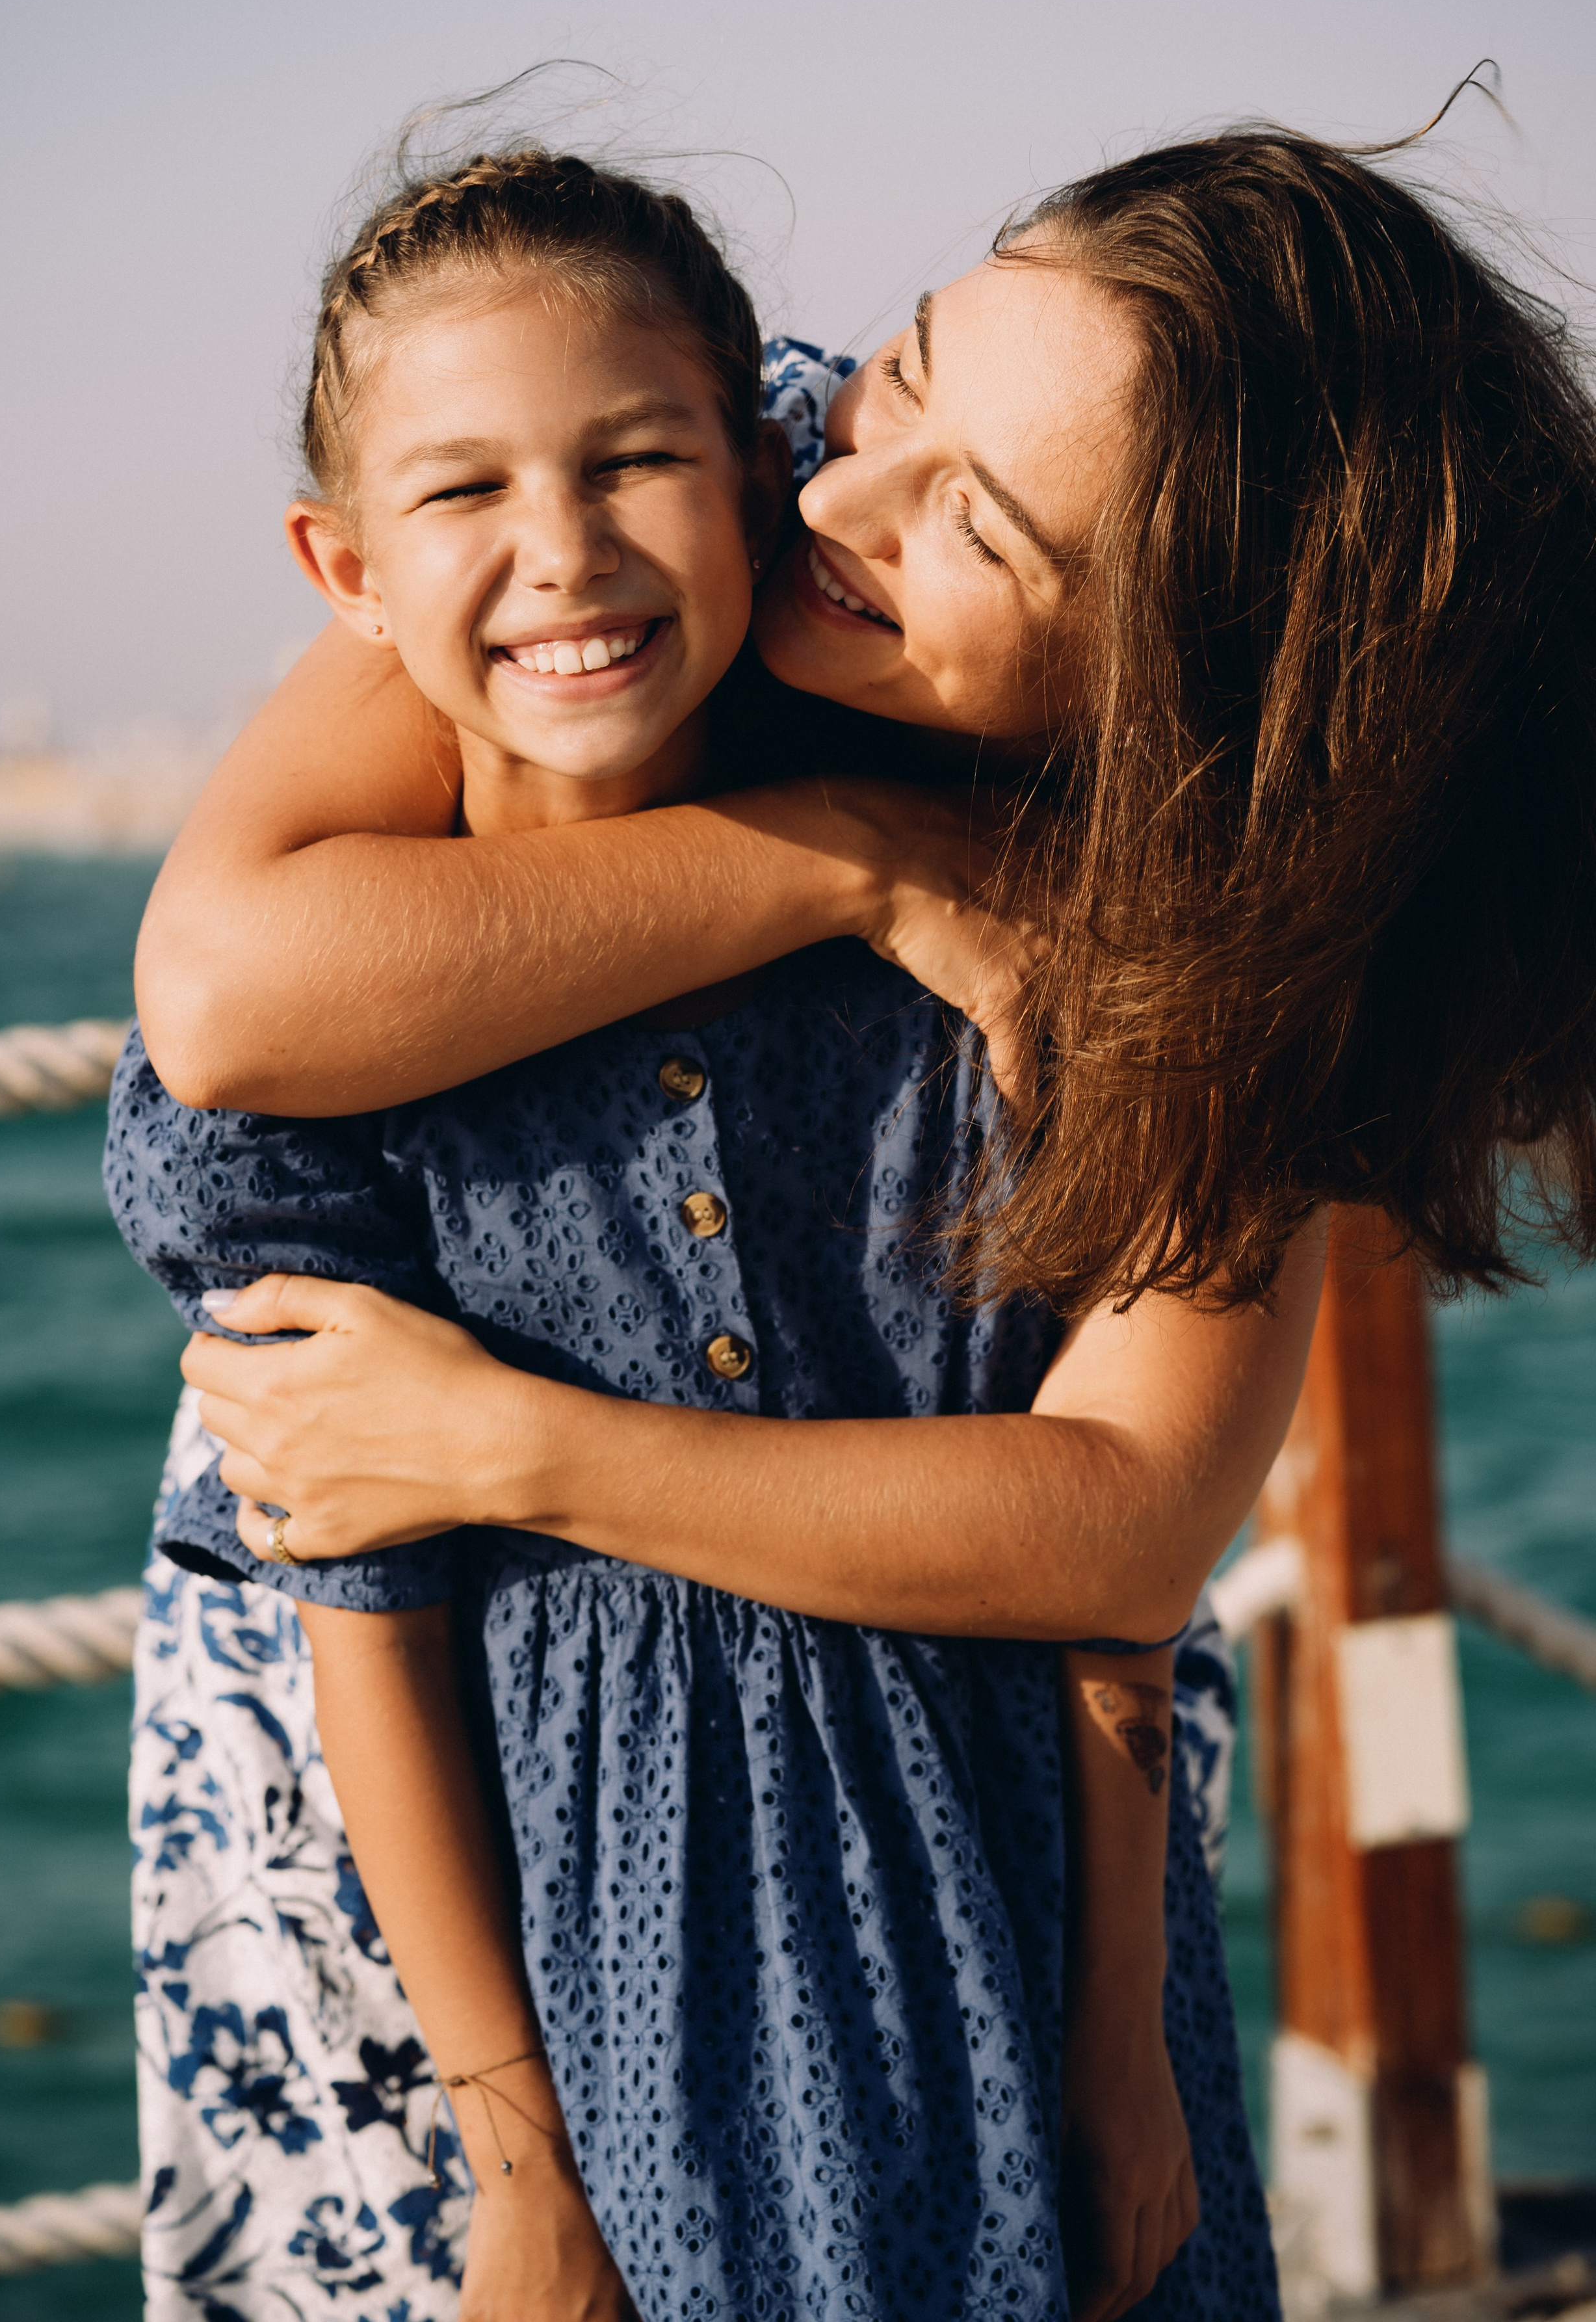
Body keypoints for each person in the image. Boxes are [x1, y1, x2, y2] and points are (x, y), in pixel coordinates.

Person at [108, 138, 1275, 2322]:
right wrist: (849, 853)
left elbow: (1110, 1558)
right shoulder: (361, 1023)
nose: (852, 496)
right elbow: (232, 1026)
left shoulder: (1080, 941)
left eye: (648, 467)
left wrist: (1121, 2038)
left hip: (996, 1887)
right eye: (886, 399)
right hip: (521, 1934)